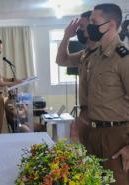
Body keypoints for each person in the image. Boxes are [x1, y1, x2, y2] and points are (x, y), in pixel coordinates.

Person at [86, 3, 129, 184]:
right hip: (93, 133)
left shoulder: (124, 57)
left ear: (110, 25)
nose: (90, 27)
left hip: (116, 137)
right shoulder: (95, 56)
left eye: (94, 21)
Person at [56, 11, 97, 146]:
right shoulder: (84, 54)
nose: (80, 31)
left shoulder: (107, 55)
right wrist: (66, 36)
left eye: (83, 27)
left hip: (104, 120)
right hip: (87, 116)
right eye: (79, 28)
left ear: (93, 27)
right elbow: (61, 60)